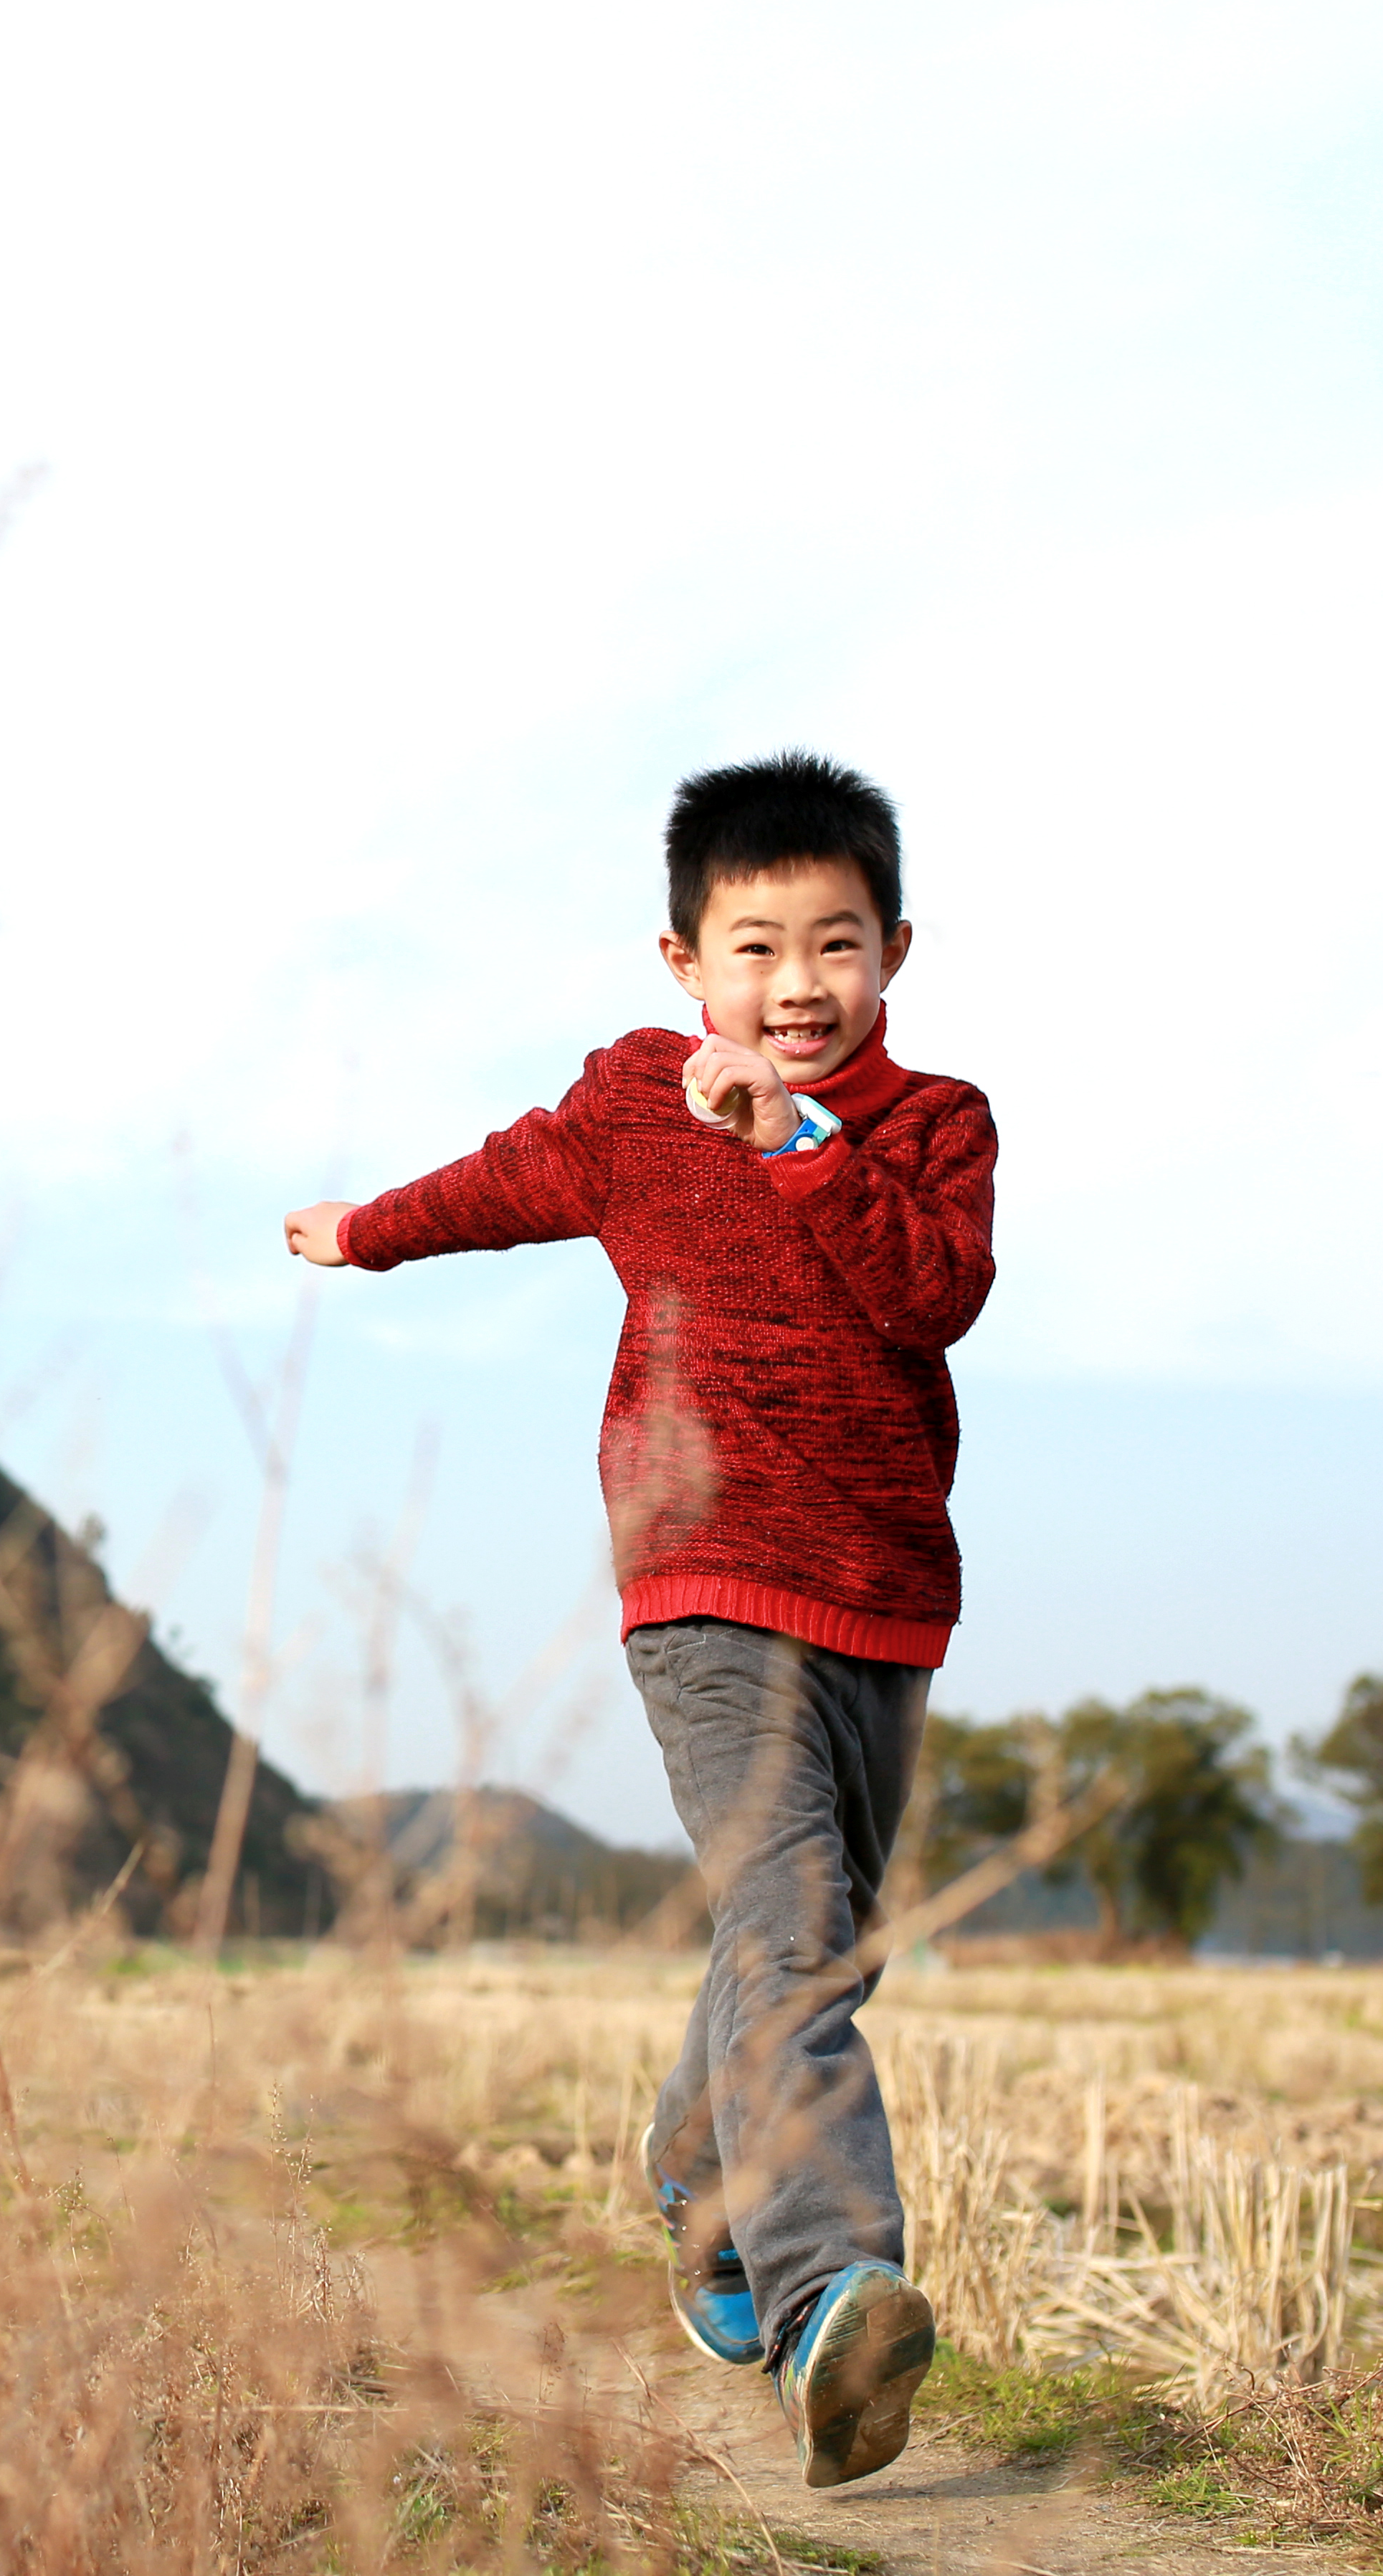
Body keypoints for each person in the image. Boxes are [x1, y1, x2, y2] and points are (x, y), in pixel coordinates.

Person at [282, 752, 997, 2489]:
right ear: (683, 962)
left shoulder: (932, 1126)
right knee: (795, 1921)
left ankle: (700, 2183)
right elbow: (502, 1179)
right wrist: (367, 1231)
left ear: (894, 952)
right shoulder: (628, 1100)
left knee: (823, 1936)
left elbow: (939, 1291)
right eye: (755, 948)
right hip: (700, 1581)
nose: (796, 987)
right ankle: (834, 2292)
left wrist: (803, 1143)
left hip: (884, 1598)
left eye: (834, 945)